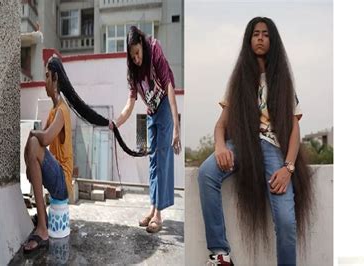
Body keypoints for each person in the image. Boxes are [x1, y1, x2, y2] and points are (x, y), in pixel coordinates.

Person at [197, 17, 313, 266]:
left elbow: (294, 129)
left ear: (273, 41)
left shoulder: (283, 82)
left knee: (285, 220)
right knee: (206, 172)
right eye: (256, 34)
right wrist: (219, 146)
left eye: (266, 34)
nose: (260, 38)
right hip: (242, 146)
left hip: (274, 149)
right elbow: (221, 125)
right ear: (249, 40)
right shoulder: (238, 80)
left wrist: (288, 168)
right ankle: (220, 254)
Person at [109, 26, 181, 233]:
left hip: (166, 105)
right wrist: (116, 123)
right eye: (132, 56)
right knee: (151, 159)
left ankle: (159, 213)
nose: (136, 59)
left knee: (162, 157)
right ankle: (151, 207)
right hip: (150, 110)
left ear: (142, 45)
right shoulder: (132, 72)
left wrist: (176, 127)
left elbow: (168, 86)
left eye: (138, 53)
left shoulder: (154, 49)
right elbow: (130, 104)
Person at [23, 55, 74, 253]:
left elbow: (42, 139)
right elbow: (40, 144)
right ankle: (42, 218)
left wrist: (31, 136)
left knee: (35, 141)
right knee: (34, 143)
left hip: (63, 183)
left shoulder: (62, 111)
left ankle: (43, 229)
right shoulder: (54, 111)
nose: (44, 81)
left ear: (55, 80)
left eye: (47, 76)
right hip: (56, 182)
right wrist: (29, 162)